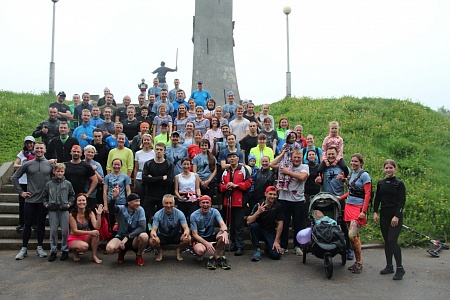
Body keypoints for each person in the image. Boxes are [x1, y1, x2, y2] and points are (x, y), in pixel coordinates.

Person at [12, 142, 55, 260]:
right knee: (27, 224)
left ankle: (39, 247)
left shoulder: (50, 165)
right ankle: (24, 248)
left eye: (41, 148)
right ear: (34, 150)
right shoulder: (28, 164)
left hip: (43, 200)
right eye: (37, 148)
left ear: (45, 150)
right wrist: (21, 192)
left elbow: (58, 178)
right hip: (30, 200)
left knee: (41, 225)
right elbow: (14, 178)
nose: (39, 150)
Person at [315, 146, 353, 260]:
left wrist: (344, 179)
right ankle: (324, 247)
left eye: (333, 154)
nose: (331, 156)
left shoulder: (343, 168)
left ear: (337, 155)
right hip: (325, 200)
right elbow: (318, 182)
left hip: (339, 199)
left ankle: (348, 249)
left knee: (343, 226)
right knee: (323, 223)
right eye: (329, 154)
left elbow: (351, 185)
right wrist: (317, 182)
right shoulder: (323, 168)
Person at [270, 148, 309, 255]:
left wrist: (288, 172)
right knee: (284, 223)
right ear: (291, 157)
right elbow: (271, 164)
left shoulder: (304, 167)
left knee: (298, 224)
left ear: (302, 158)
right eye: (295, 157)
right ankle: (284, 245)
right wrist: (282, 154)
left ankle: (297, 246)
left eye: (299, 158)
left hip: (298, 200)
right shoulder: (285, 164)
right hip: (284, 198)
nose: (296, 159)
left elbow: (302, 177)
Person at [338, 153, 372, 274]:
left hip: (358, 208)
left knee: (352, 235)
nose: (353, 163)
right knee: (353, 237)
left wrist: (363, 211)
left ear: (361, 163)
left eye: (356, 161)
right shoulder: (352, 174)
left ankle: (359, 262)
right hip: (349, 206)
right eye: (352, 161)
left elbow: (368, 194)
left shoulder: (365, 176)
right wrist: (341, 198)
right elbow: (351, 192)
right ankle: (357, 262)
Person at [373, 159, 406, 280]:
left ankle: (400, 268)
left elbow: (402, 202)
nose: (388, 170)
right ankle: (389, 266)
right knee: (387, 241)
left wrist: (397, 216)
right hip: (384, 215)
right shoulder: (381, 183)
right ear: (384, 169)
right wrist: (375, 212)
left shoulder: (399, 183)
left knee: (392, 240)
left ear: (395, 169)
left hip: (395, 216)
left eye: (390, 168)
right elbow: (377, 199)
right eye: (386, 168)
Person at [219, 152, 252, 256]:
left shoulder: (243, 169)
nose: (232, 159)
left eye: (234, 157)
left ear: (238, 158)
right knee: (231, 224)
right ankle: (233, 243)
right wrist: (226, 187)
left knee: (238, 225)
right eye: (230, 157)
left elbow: (248, 183)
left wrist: (236, 185)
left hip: (239, 201)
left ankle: (240, 246)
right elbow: (220, 186)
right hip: (228, 202)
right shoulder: (225, 171)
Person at [42, 163, 75, 262]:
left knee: (65, 230)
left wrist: (69, 204)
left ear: (64, 172)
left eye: (61, 171)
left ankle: (65, 249)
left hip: (64, 209)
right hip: (52, 209)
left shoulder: (68, 183)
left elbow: (72, 195)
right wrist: (46, 204)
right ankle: (53, 250)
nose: (59, 173)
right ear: (54, 172)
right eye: (58, 171)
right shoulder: (49, 184)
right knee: (53, 230)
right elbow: (44, 196)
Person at [105, 193, 148, 266]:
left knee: (144, 236)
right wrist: (113, 199)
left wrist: (128, 237)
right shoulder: (121, 208)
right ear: (129, 202)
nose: (138, 203)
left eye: (139, 201)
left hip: (134, 237)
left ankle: (139, 255)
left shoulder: (140, 210)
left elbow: (142, 227)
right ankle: (121, 252)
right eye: (136, 201)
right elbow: (111, 209)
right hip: (121, 236)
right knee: (109, 248)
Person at [190, 195, 231, 270]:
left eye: (207, 203)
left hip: (211, 235)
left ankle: (216, 255)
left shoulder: (215, 211)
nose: (205, 205)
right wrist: (207, 244)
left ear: (210, 204)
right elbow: (194, 234)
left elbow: (222, 224)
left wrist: (225, 231)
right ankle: (200, 252)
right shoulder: (194, 215)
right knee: (200, 252)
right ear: (200, 204)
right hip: (200, 238)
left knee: (224, 235)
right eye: (203, 203)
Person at [142, 143, 174, 231]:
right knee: (146, 218)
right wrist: (161, 178)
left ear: (164, 151)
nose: (158, 151)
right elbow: (145, 179)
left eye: (161, 150)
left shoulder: (169, 164)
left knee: (162, 220)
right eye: (157, 149)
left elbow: (169, 182)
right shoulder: (148, 164)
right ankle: (147, 236)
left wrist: (152, 178)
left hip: (163, 197)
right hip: (149, 195)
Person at [149, 194, 191, 262]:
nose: (168, 205)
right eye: (166, 203)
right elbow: (153, 230)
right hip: (162, 235)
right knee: (152, 241)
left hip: (176, 235)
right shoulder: (158, 214)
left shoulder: (180, 213)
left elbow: (186, 228)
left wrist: (186, 233)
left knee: (188, 238)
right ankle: (160, 251)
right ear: (162, 203)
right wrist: (153, 235)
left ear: (174, 203)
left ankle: (178, 251)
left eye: (170, 203)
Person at [247, 186, 283, 261]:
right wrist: (258, 212)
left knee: (276, 255)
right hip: (259, 231)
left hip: (270, 232)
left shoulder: (278, 206)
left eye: (274, 194)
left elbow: (280, 224)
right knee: (253, 225)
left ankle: (268, 247)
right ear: (265, 194)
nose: (272, 196)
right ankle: (257, 249)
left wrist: (276, 240)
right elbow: (248, 221)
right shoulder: (259, 205)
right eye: (270, 194)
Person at [68, 194, 103, 263]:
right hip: (74, 238)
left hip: (85, 237)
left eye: (83, 200)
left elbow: (97, 226)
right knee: (84, 246)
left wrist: (99, 215)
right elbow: (75, 231)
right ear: (76, 203)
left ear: (86, 202)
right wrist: (90, 232)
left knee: (96, 233)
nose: (81, 202)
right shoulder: (72, 214)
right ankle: (76, 252)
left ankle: (94, 256)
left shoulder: (90, 213)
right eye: (79, 200)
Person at [13, 136, 36, 232]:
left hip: (33, 182)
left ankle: (34, 223)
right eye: (27, 143)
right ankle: (22, 223)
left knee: (34, 203)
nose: (29, 145)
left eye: (31, 143)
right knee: (22, 203)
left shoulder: (37, 154)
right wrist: (25, 166)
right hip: (23, 181)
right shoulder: (22, 154)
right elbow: (15, 165)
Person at [103, 158, 131, 226]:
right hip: (110, 202)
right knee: (111, 221)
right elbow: (104, 191)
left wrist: (129, 203)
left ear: (121, 166)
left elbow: (128, 190)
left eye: (118, 165)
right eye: (115, 164)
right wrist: (105, 205)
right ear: (112, 165)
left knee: (121, 221)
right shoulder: (107, 177)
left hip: (122, 202)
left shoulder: (125, 177)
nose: (116, 166)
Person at [174, 158, 201, 226]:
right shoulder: (177, 177)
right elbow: (176, 190)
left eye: (188, 164)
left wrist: (199, 196)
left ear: (190, 165)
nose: (186, 166)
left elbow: (197, 188)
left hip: (193, 200)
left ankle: (193, 232)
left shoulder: (195, 175)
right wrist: (180, 197)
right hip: (182, 200)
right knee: (182, 219)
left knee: (192, 218)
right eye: (184, 164)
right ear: (181, 165)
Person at [134, 134, 155, 200]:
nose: (146, 141)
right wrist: (135, 180)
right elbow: (136, 168)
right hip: (140, 177)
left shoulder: (154, 153)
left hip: (150, 176)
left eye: (148, 140)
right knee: (141, 197)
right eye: (144, 140)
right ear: (142, 142)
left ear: (151, 141)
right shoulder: (138, 153)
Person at [83, 145, 104, 209]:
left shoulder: (97, 165)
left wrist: (93, 171)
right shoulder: (81, 163)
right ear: (84, 153)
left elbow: (101, 181)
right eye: (88, 152)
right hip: (80, 193)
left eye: (92, 152)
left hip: (92, 195)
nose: (90, 154)